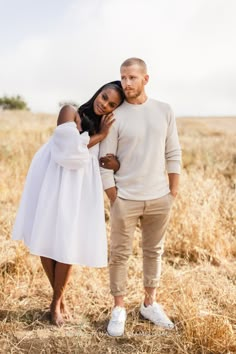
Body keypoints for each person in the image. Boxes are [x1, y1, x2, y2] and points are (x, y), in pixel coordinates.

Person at [12, 81, 125, 326]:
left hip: (79, 187)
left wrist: (113, 162)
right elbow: (68, 152)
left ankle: (55, 302)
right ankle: (59, 300)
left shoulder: (103, 128)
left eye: (111, 104)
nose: (103, 104)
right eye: (104, 97)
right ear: (98, 91)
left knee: (67, 241)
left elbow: (101, 160)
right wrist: (100, 136)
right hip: (52, 179)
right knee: (46, 237)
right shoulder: (69, 111)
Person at [99, 58, 181, 336]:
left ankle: (149, 303)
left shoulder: (164, 110)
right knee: (119, 254)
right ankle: (119, 307)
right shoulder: (115, 115)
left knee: (153, 252)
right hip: (126, 198)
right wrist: (114, 197)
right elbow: (104, 159)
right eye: (123, 78)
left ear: (146, 79)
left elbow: (173, 153)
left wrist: (172, 193)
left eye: (132, 77)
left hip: (160, 197)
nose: (126, 83)